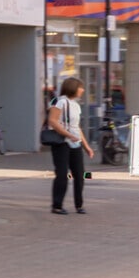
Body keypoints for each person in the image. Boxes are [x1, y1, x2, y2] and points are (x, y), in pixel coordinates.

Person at [48, 76, 92, 214]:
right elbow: (52, 121)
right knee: (62, 174)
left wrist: (86, 146)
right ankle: (57, 205)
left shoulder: (76, 105)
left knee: (80, 174)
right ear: (73, 88)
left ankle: (79, 205)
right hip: (61, 143)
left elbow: (76, 127)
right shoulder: (59, 102)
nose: (83, 90)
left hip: (75, 143)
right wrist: (68, 135)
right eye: (81, 87)